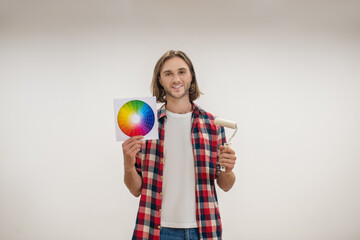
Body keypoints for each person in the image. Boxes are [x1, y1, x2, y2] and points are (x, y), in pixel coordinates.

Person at [122, 50, 237, 240]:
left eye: (182, 72)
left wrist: (228, 169)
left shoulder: (213, 125)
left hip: (203, 229)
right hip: (153, 229)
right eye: (168, 73)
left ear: (191, 76)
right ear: (160, 79)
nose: (176, 79)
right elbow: (136, 190)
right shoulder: (145, 126)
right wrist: (128, 163)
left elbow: (225, 185)